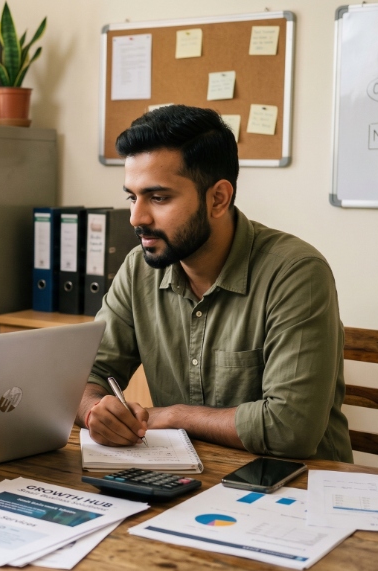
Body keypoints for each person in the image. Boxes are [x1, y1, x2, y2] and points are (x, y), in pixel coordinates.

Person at [78, 105, 352, 462]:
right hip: (186, 478)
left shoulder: (296, 272)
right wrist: (94, 410)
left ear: (218, 198)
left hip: (298, 488)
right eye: (133, 196)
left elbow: (291, 429)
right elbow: (87, 375)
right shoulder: (138, 269)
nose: (136, 218)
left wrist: (174, 416)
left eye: (158, 198)